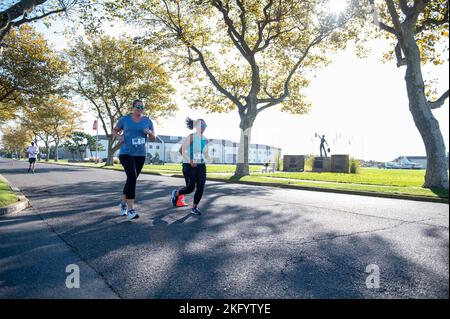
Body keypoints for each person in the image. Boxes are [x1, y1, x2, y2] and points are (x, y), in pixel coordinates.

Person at [112, 100, 156, 220]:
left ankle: (122, 203)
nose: (140, 108)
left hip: (140, 155)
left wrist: (150, 133)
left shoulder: (147, 121)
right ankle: (130, 209)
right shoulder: (124, 119)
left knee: (131, 180)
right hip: (126, 153)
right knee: (132, 178)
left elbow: (153, 139)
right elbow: (114, 130)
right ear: (133, 107)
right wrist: (119, 136)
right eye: (138, 106)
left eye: (142, 107)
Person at [171, 118, 210, 216]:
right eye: (201, 126)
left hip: (201, 165)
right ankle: (177, 193)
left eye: (204, 126)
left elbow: (205, 153)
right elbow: (181, 150)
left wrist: (207, 157)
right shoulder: (191, 137)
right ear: (196, 127)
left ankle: (194, 208)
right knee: (190, 188)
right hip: (188, 165)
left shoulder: (205, 139)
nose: (203, 128)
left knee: (201, 186)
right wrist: (190, 161)